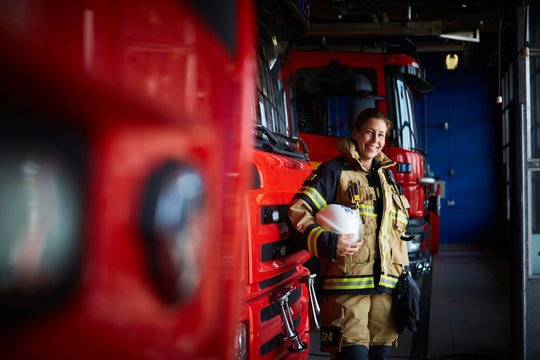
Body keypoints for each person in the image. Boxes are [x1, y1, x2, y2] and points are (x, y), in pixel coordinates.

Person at [287, 108, 411, 360]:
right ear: (355, 133)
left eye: (381, 135)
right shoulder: (333, 171)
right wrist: (330, 243)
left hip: (385, 296)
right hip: (347, 297)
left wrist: (406, 282)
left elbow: (395, 235)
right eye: (369, 132)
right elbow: (298, 212)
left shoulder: (387, 178)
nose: (375, 141)